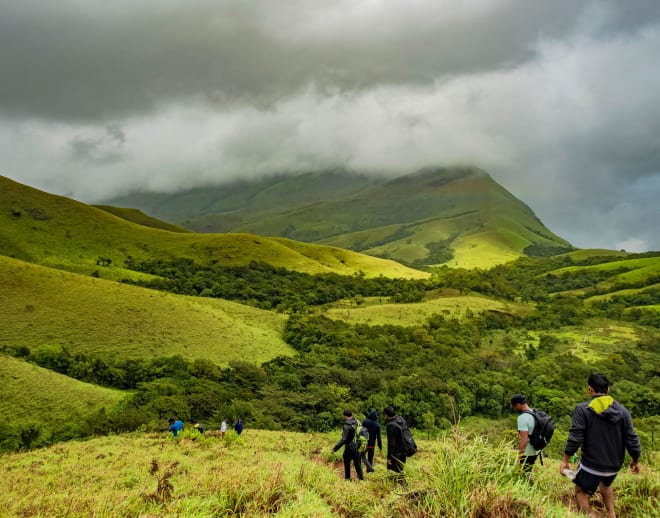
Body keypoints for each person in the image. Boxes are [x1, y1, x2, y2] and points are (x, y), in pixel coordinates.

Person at [559, 373, 641, 517]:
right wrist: (635, 460)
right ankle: (611, 514)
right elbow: (632, 438)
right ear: (608, 390)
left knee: (581, 491)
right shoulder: (623, 411)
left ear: (590, 390)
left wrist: (565, 460)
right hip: (614, 466)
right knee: (605, 485)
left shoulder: (583, 409)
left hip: (591, 465)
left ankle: (593, 515)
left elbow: (575, 437)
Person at [510, 394, 540, 478]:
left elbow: (524, 440)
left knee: (523, 475)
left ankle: (530, 488)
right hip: (536, 450)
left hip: (528, 452)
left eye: (514, 406)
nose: (514, 409)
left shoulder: (522, 417)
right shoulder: (534, 412)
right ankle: (531, 484)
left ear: (518, 405)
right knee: (528, 471)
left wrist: (519, 456)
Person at [332, 409, 364, 481]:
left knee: (346, 462)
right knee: (357, 463)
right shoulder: (357, 422)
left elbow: (344, 439)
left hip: (349, 447)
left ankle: (347, 478)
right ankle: (361, 479)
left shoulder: (347, 425)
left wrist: (335, 449)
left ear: (345, 416)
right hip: (358, 445)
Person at [383, 406, 407, 484]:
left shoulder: (391, 425)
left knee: (394, 473)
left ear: (386, 415)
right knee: (400, 470)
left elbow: (391, 444)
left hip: (396, 453)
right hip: (404, 451)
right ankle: (398, 489)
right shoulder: (400, 420)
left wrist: (389, 457)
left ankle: (403, 489)